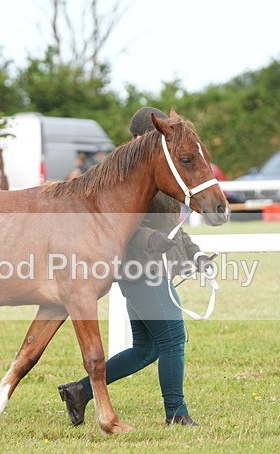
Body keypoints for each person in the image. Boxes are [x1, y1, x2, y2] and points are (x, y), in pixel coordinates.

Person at [57, 106, 213, 427]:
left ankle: (79, 391)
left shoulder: (162, 174)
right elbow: (118, 225)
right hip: (140, 271)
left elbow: (173, 228)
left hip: (154, 270)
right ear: (145, 137)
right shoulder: (128, 179)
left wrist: (195, 255)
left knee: (146, 349)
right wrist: (148, 239)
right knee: (172, 339)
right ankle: (176, 413)